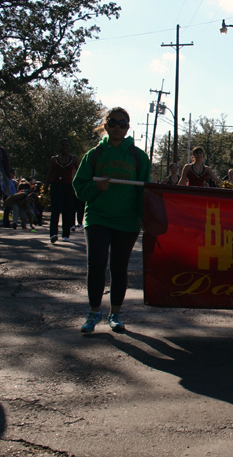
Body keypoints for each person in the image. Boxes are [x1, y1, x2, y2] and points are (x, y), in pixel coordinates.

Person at [72, 107, 151, 334]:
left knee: (119, 267)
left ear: (128, 127)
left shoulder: (138, 156)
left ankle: (114, 313)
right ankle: (94, 311)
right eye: (113, 123)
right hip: (98, 217)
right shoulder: (94, 155)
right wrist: (95, 187)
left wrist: (144, 217)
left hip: (127, 221)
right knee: (96, 264)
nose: (118, 127)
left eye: (123, 123)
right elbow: (79, 189)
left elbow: (145, 192)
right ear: (106, 125)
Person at [47, 138, 81, 244]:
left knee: (67, 210)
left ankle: (66, 234)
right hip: (56, 185)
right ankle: (53, 233)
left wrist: (79, 185)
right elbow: (50, 173)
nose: (65, 147)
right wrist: (45, 187)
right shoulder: (54, 159)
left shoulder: (74, 158)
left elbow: (80, 172)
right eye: (63, 145)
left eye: (67, 145)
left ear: (69, 147)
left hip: (68, 186)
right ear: (59, 147)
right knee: (55, 210)